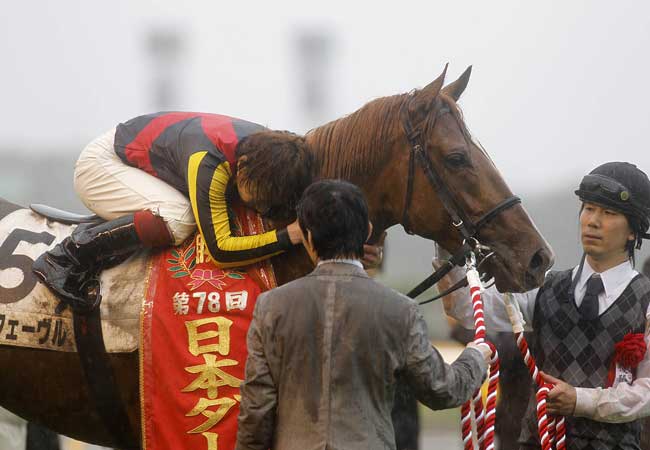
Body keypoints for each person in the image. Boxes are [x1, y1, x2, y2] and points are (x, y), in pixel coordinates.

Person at [235, 179, 491, 450]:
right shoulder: (400, 310)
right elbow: (441, 390)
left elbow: (256, 410)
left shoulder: (271, 307)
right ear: (367, 230)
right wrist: (475, 358)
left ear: (308, 237)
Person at [441, 162, 650, 449]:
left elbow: (647, 392)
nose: (593, 221)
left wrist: (580, 400)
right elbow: (466, 310)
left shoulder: (647, 300)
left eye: (608, 213)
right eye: (588, 209)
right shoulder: (545, 287)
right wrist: (443, 243)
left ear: (632, 232)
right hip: (538, 441)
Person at [33, 112, 313, 312]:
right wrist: (288, 235)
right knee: (179, 218)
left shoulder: (275, 149)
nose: (263, 208)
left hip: (147, 161)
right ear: (243, 167)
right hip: (102, 167)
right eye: (260, 196)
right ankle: (67, 257)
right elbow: (222, 251)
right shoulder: (209, 164)